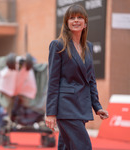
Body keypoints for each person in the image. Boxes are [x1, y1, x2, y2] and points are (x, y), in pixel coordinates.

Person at [45, 4, 109, 150]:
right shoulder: (58, 45)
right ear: (66, 23)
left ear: (85, 23)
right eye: (71, 18)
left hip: (82, 105)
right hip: (66, 106)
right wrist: (50, 113)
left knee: (66, 147)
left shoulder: (88, 47)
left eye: (79, 17)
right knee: (83, 146)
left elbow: (91, 80)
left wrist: (97, 106)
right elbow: (53, 81)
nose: (76, 20)